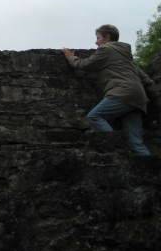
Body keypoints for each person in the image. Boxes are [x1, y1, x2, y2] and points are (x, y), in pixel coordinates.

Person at [63, 24, 156, 156]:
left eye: (98, 38)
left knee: (94, 116)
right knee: (136, 143)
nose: (96, 42)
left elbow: (84, 64)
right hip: (138, 98)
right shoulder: (125, 56)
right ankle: (152, 174)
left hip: (122, 93)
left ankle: (116, 149)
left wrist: (70, 56)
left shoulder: (106, 49)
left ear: (107, 37)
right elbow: (146, 79)